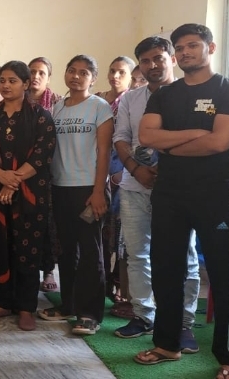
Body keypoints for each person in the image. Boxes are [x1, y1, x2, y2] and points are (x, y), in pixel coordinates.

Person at [135, 24, 229, 379]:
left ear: (210, 47)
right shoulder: (165, 94)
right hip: (169, 192)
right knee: (166, 269)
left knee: (223, 276)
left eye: (192, 45)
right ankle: (167, 344)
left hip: (215, 193)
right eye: (180, 48)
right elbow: (146, 136)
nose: (185, 52)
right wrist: (197, 133)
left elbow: (219, 143)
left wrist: (170, 144)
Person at [113, 37, 201, 349]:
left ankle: (183, 324)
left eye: (159, 58)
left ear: (172, 59)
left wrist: (168, 169)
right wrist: (136, 169)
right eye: (146, 60)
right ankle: (143, 315)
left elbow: (196, 139)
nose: (153, 65)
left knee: (185, 257)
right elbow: (121, 138)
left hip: (178, 189)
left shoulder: (191, 94)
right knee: (137, 255)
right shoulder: (131, 99)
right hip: (134, 188)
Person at [0, 61, 56, 332]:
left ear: (25, 83)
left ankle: (26, 307)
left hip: (30, 194)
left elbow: (42, 155)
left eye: (12, 81)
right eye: (3, 81)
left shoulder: (40, 116)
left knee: (26, 250)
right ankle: (1, 303)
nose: (6, 85)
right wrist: (0, 175)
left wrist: (12, 181)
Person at [36, 55, 113, 336]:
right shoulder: (57, 107)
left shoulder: (99, 107)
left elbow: (104, 151)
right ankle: (68, 304)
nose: (76, 76)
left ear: (93, 78)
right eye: (72, 71)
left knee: (91, 253)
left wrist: (98, 191)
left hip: (89, 190)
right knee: (66, 251)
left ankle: (90, 314)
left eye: (83, 72)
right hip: (61, 188)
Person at [96, 56, 136, 313]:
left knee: (124, 238)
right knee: (100, 233)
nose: (115, 76)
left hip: (125, 177)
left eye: (122, 72)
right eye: (112, 71)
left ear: (131, 76)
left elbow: (134, 139)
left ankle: (123, 287)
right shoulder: (98, 100)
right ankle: (100, 285)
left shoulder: (133, 102)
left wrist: (123, 171)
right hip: (98, 173)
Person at [27, 56, 62, 293]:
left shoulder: (58, 103)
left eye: (41, 73)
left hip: (49, 171)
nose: (35, 76)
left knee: (49, 223)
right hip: (21, 171)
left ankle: (48, 269)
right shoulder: (18, 101)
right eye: (32, 71)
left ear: (48, 78)